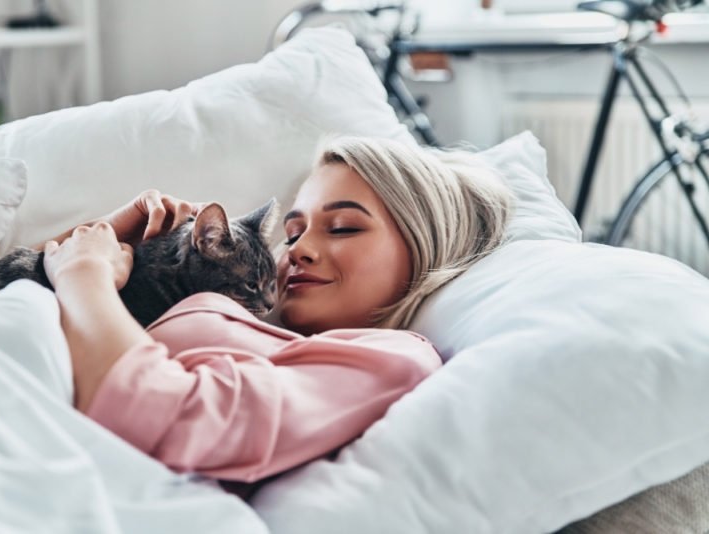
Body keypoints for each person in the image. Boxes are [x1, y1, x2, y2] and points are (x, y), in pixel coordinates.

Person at [40, 135, 515, 488]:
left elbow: (170, 419)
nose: (299, 250)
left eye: (344, 227)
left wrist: (84, 275)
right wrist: (109, 238)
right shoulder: (250, 316)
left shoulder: (394, 358)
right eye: (291, 234)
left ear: (424, 245)